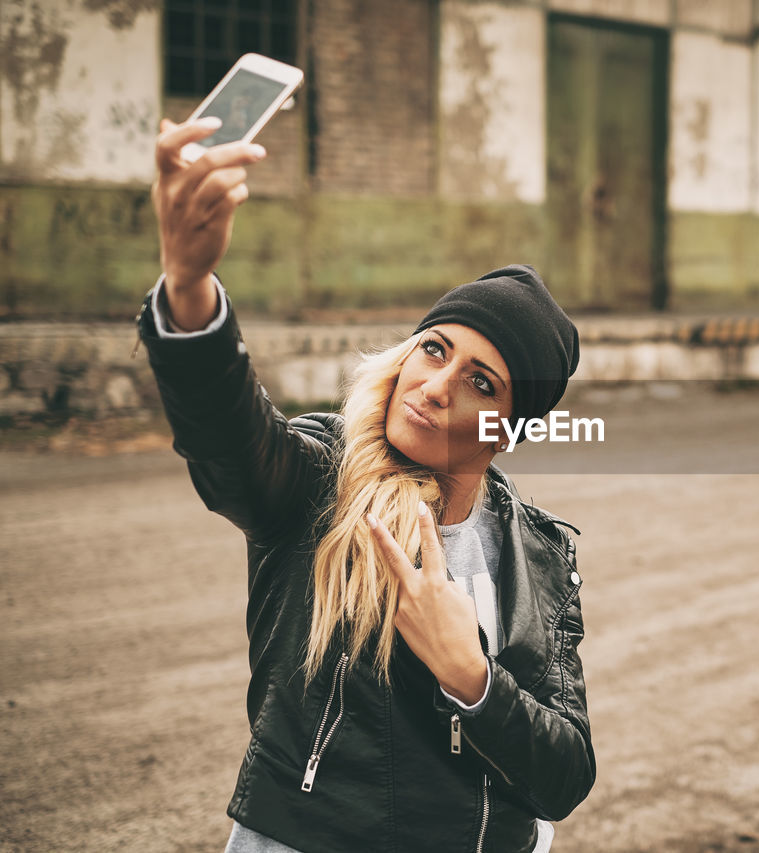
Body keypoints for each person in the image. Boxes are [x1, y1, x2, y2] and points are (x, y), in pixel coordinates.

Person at [138, 117, 595, 853]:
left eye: (481, 382)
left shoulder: (538, 549)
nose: (438, 385)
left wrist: (472, 676)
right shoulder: (321, 479)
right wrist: (189, 287)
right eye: (434, 349)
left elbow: (566, 772)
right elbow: (228, 437)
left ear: (506, 430)